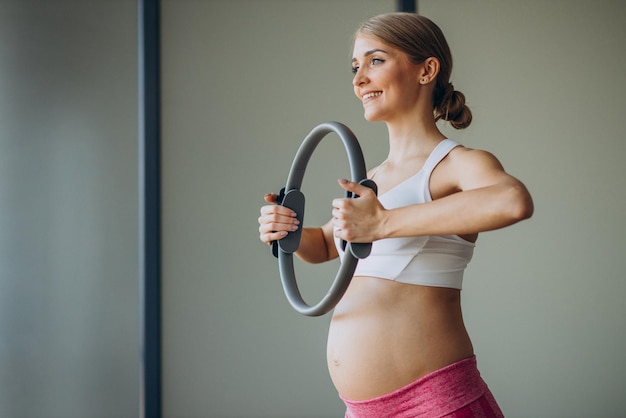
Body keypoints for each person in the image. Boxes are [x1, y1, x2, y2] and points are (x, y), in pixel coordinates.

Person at [258, 12, 533, 418]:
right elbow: (322, 246)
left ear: (427, 70)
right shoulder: (372, 179)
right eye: (355, 67)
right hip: (362, 409)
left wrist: (384, 223)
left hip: (435, 404)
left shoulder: (454, 164)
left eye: (375, 61)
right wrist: (289, 231)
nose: (358, 79)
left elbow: (513, 201)